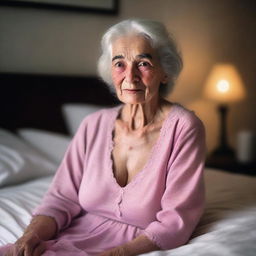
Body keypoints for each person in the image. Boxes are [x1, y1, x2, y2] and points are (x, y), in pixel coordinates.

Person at [2, 19, 206, 256]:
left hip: (136, 247)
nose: (130, 76)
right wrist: (30, 236)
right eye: (119, 63)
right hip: (72, 238)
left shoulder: (184, 127)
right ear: (110, 71)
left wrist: (113, 255)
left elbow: (175, 221)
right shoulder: (93, 124)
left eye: (143, 63)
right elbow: (61, 199)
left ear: (164, 72)